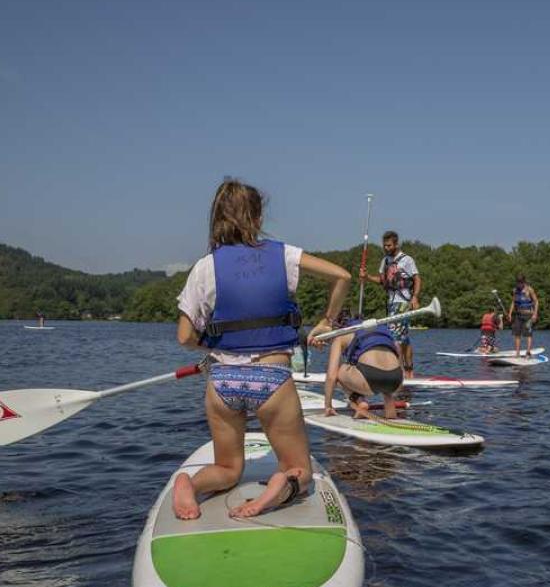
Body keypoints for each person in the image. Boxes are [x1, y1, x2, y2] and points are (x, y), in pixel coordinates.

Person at [174, 178, 351, 520]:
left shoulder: (204, 267)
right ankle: (281, 484)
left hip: (222, 380)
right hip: (271, 379)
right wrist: (327, 321)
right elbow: (342, 276)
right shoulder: (284, 255)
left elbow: (184, 336)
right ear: (256, 218)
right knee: (299, 468)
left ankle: (190, 485)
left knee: (227, 468)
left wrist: (211, 347)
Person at [320, 310, 403, 419]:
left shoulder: (341, 334)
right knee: (384, 371)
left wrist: (328, 405)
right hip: (396, 380)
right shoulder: (381, 328)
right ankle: (390, 406)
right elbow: (398, 348)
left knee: (338, 370)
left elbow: (331, 376)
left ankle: (360, 402)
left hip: (370, 378)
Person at [362, 230, 420, 378]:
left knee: (394, 338)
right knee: (404, 339)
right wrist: (367, 277)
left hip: (403, 302)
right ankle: (409, 372)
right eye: (384, 245)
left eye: (389, 245)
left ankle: (397, 372)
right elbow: (382, 281)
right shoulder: (385, 261)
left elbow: (417, 279)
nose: (386, 248)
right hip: (391, 303)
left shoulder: (407, 260)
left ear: (396, 244)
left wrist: (415, 297)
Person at [508, 274, 540, 357]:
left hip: (528, 315)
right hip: (518, 315)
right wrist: (510, 313)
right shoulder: (515, 290)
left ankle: (528, 352)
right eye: (518, 282)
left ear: (524, 282)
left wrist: (535, 314)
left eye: (520, 282)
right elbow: (513, 302)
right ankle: (517, 353)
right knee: (517, 334)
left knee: (528, 334)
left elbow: (536, 302)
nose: (519, 284)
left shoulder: (529, 289)